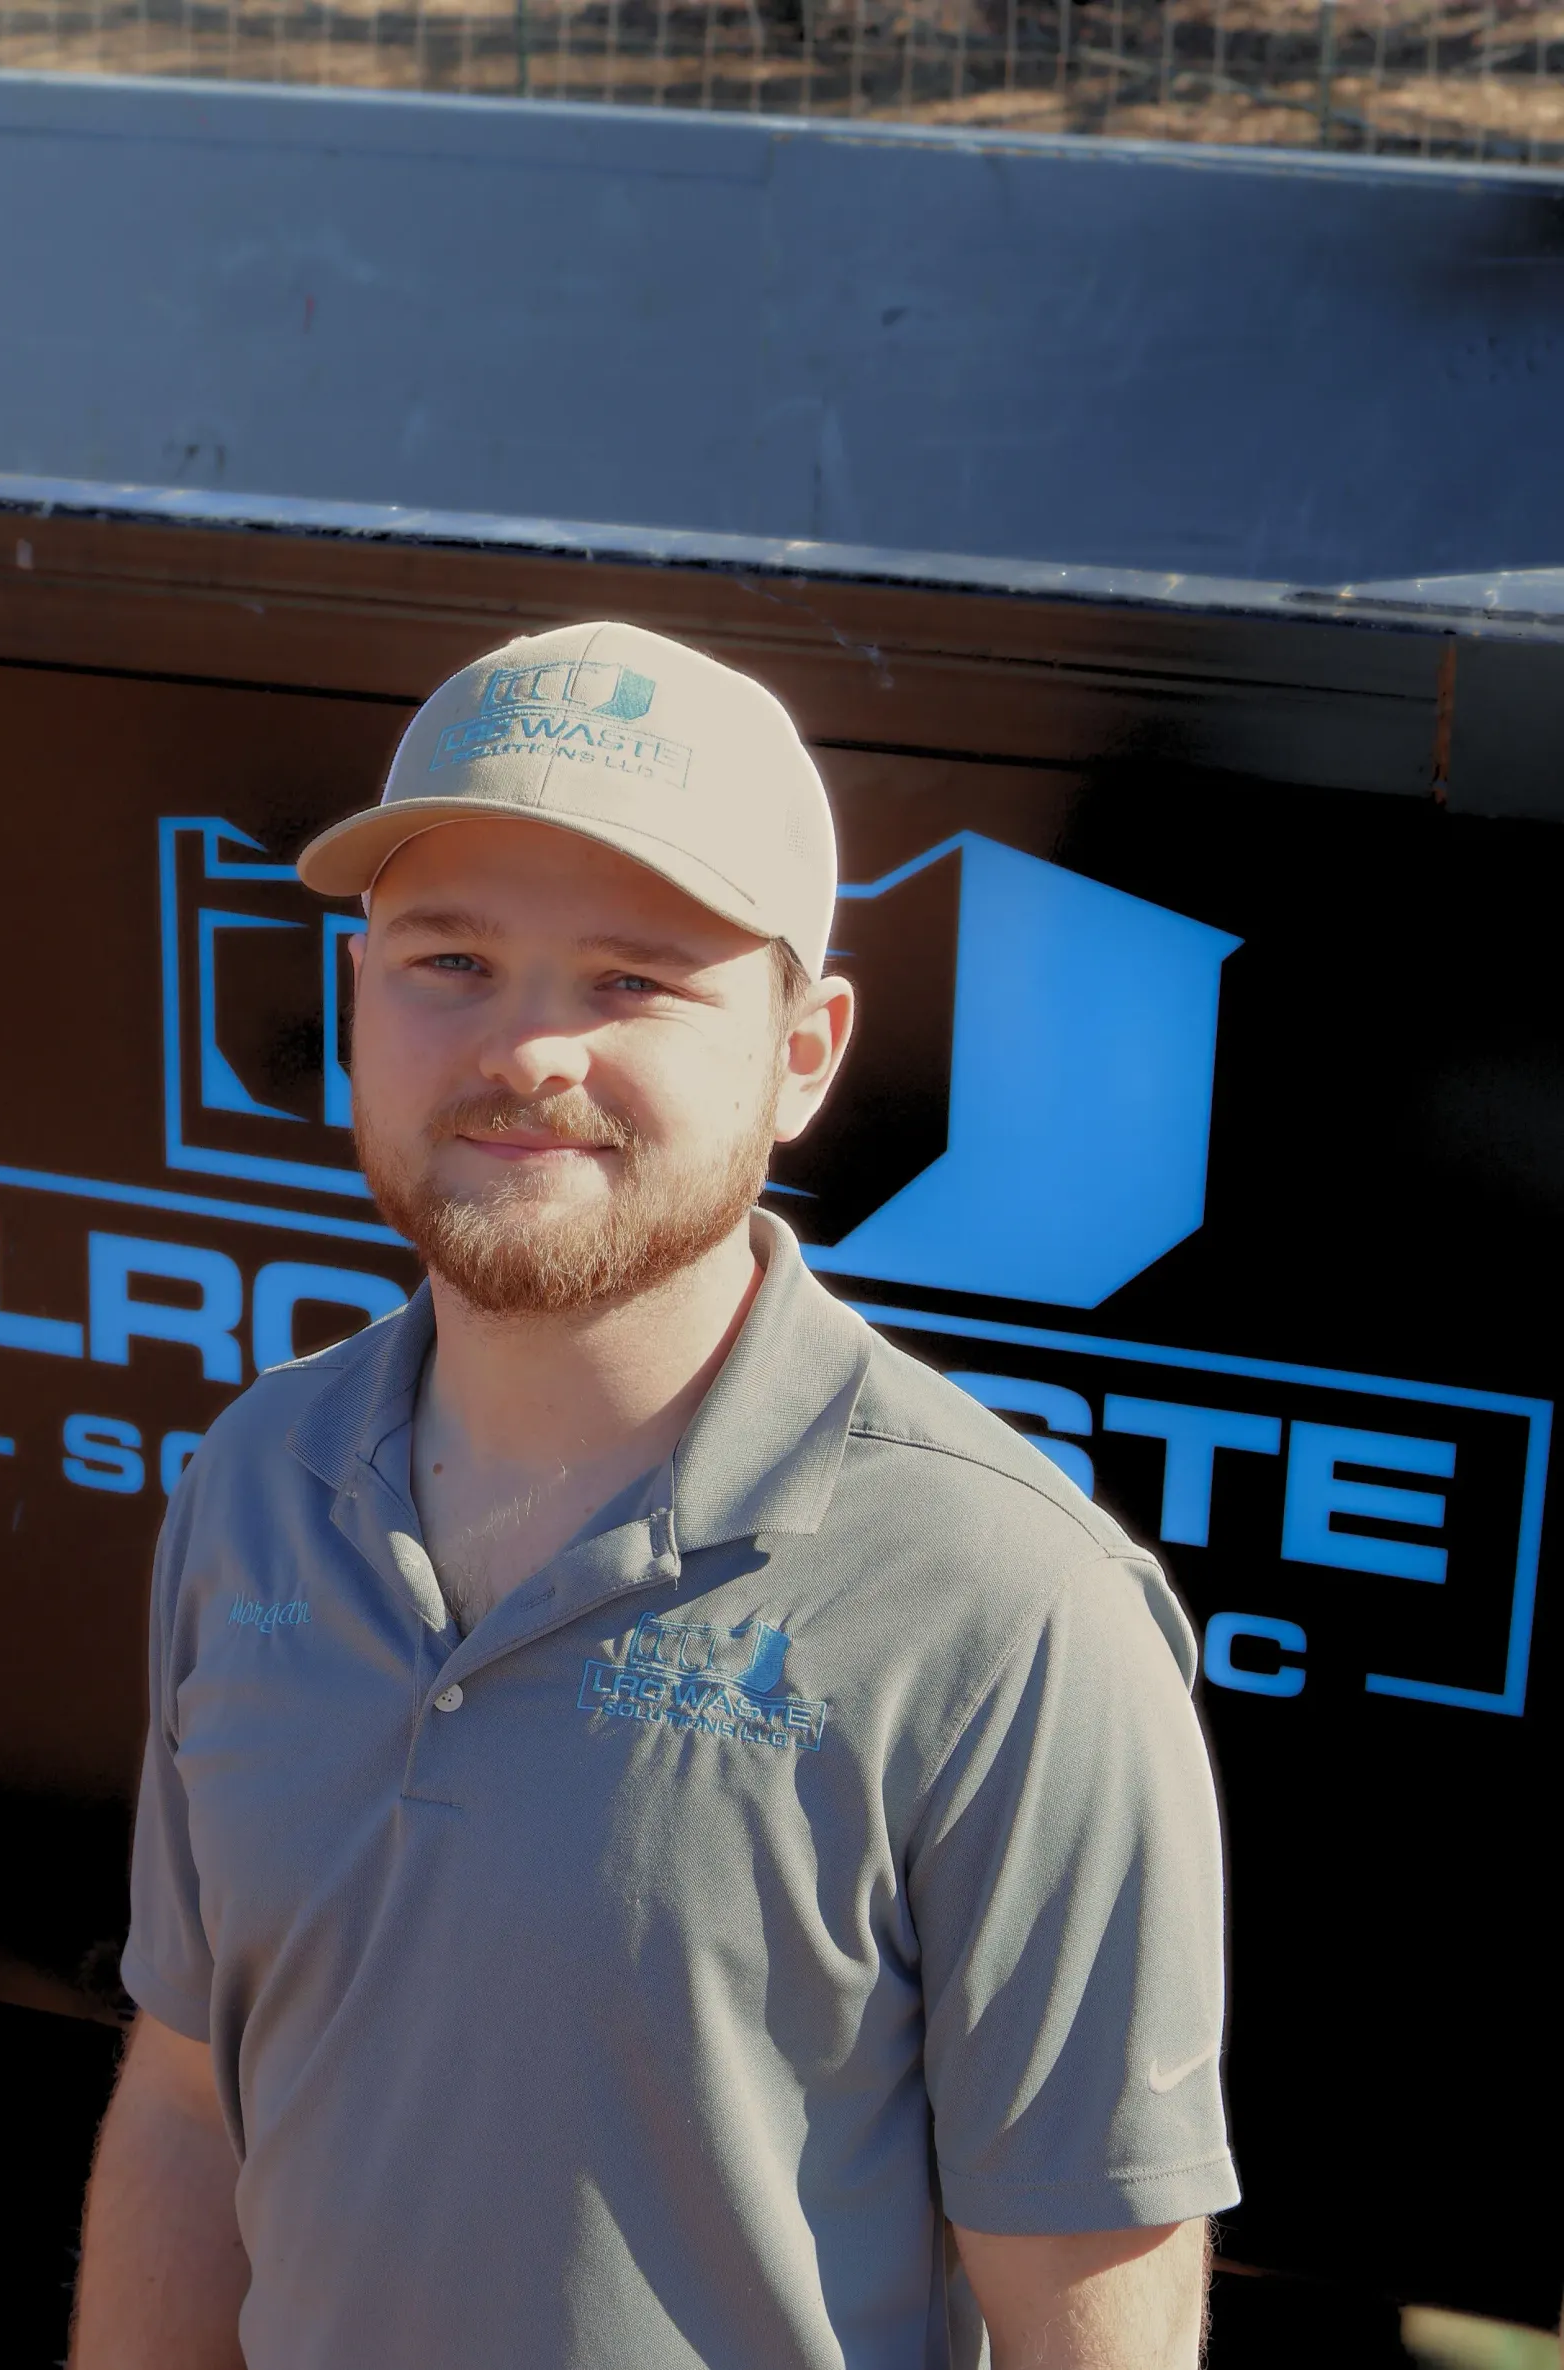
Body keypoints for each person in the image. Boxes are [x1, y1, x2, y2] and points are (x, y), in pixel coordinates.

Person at [70, 621, 1238, 2370]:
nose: (531, 1049)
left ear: (805, 1051)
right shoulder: (259, 1477)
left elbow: (1093, 2306)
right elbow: (186, 2098)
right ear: (358, 997)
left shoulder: (1008, 1609)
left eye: (631, 980)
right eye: (451, 957)